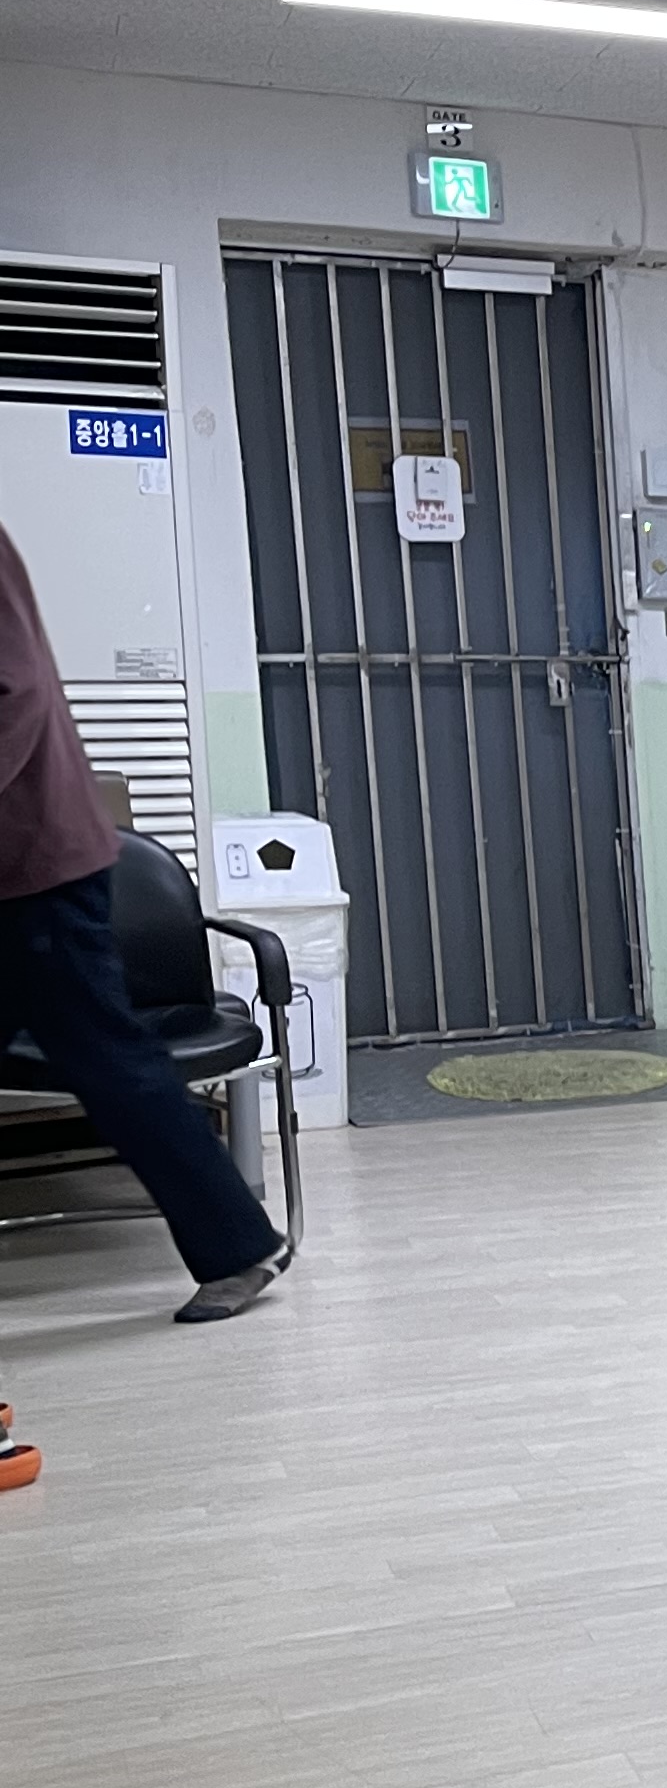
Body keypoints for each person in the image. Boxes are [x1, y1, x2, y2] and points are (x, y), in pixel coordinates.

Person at [0, 519, 286, 1323]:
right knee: (107, 1057)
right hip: (22, 866)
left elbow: (17, 695)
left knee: (110, 1059)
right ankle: (237, 1244)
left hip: (38, 865)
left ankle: (239, 1247)